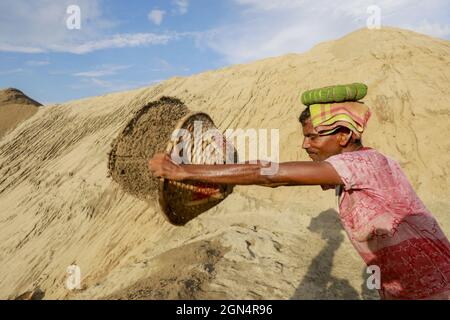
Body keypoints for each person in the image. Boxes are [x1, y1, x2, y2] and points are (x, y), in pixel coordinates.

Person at [148, 85, 450, 300]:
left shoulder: (359, 164)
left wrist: (181, 171)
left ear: (344, 135)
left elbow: (270, 175)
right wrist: (226, 171)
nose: (306, 145)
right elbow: (274, 177)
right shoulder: (364, 163)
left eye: (313, 137)